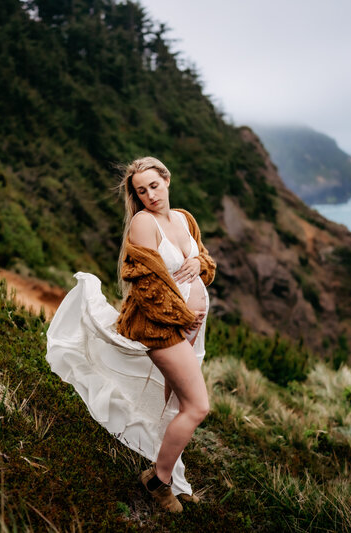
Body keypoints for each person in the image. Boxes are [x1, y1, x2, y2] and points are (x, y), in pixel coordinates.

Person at [46, 156, 215, 513]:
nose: (150, 194)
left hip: (189, 329)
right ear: (136, 196)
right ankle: (158, 480)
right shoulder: (143, 223)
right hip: (162, 328)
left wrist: (200, 263)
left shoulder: (184, 219)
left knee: (174, 407)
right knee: (198, 406)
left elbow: (202, 262)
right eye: (142, 191)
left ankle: (175, 477)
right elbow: (146, 285)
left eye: (154, 185)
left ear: (166, 180)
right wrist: (183, 318)